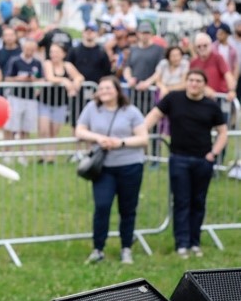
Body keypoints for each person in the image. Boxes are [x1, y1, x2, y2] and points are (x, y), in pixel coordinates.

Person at [143, 70, 228, 258]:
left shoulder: (211, 106)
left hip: (202, 160)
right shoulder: (174, 99)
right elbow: (154, 116)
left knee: (198, 202)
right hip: (179, 158)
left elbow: (223, 132)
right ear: (186, 82)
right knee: (181, 201)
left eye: (198, 81)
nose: (194, 84)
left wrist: (213, 153)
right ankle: (181, 243)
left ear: (204, 84)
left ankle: (194, 242)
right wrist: (141, 133)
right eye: (191, 80)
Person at [74, 76, 149, 264]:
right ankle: (98, 249)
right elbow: (80, 130)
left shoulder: (131, 111)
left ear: (117, 90)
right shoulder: (92, 108)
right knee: (102, 206)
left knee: (127, 208)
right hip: (103, 168)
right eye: (101, 88)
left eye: (108, 88)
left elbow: (143, 138)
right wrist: (99, 138)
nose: (104, 91)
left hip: (130, 165)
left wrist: (120, 142)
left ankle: (126, 248)